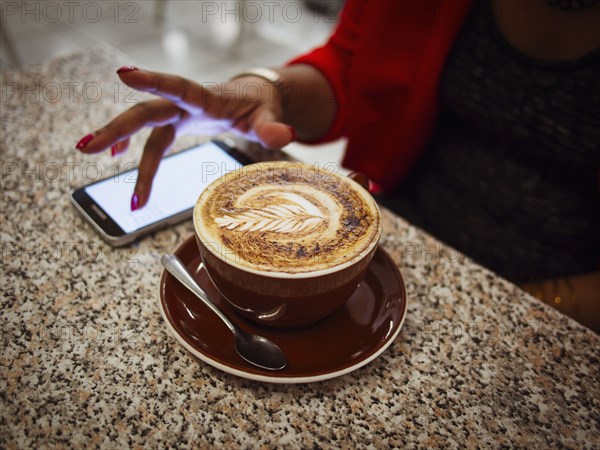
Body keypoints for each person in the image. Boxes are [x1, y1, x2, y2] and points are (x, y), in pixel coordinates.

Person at [76, 0, 599, 331]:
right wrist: (264, 88)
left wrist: (529, 306)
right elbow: (353, 66)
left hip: (556, 292)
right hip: (395, 224)